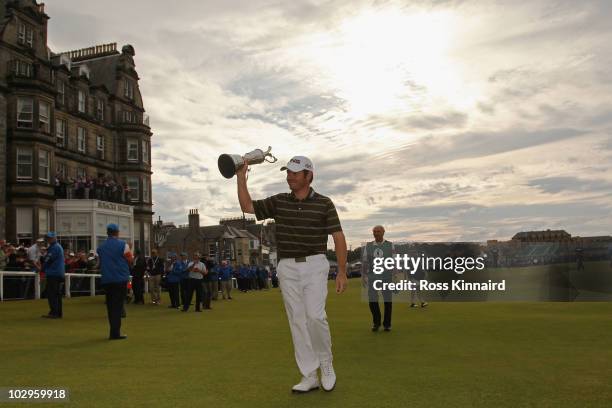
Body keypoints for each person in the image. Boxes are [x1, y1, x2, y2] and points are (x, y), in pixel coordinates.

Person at [235, 155, 347, 393]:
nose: (290, 177)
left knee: (315, 316)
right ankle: (309, 375)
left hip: (315, 263)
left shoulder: (325, 203)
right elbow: (247, 206)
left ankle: (326, 363)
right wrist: (241, 178)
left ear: (309, 176)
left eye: (295, 173)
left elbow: (338, 237)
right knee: (297, 320)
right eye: (288, 173)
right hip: (287, 267)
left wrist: (342, 271)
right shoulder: (279, 201)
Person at [97, 223, 133, 340]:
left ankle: (113, 331)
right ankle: (115, 333)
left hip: (107, 279)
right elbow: (130, 260)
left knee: (111, 306)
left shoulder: (101, 247)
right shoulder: (123, 245)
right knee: (118, 306)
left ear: (107, 232)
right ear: (117, 232)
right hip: (120, 278)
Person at [361, 225, 394, 332]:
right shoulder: (368, 246)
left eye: (378, 231)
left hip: (386, 277)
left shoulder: (390, 245)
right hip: (373, 277)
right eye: (374, 231)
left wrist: (395, 274)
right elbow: (365, 262)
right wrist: (363, 275)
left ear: (383, 232)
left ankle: (387, 324)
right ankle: (376, 322)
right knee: (372, 301)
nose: (376, 233)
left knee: (388, 301)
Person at [41, 232, 64, 319]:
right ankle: (58, 313)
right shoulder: (56, 247)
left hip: (54, 273)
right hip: (58, 272)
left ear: (54, 238)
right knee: (57, 294)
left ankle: (54, 313)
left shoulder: (54, 247)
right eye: (48, 238)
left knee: (52, 293)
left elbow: (48, 259)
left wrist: (42, 268)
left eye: (50, 238)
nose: (49, 239)